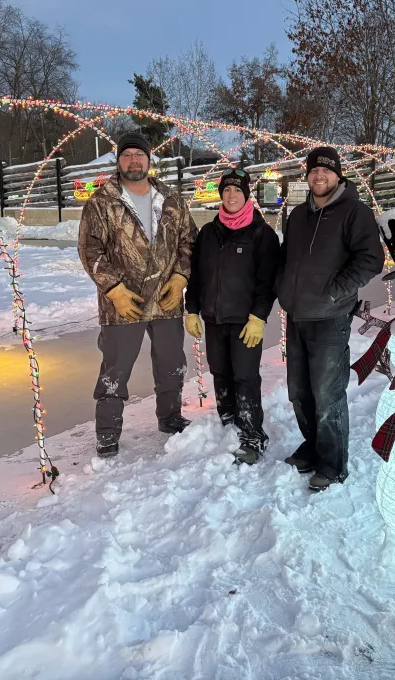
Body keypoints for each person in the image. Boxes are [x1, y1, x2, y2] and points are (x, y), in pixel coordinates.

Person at [77, 132, 196, 458]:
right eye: (127, 155)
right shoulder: (102, 202)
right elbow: (90, 250)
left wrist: (181, 276)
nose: (133, 160)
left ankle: (170, 417)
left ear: (149, 159)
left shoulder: (171, 199)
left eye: (139, 155)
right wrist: (114, 290)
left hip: (165, 302)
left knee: (172, 363)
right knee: (115, 369)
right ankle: (107, 433)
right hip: (123, 306)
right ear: (119, 161)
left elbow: (189, 241)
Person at [276, 146, 384, 491]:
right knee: (299, 391)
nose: (319, 177)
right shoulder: (297, 216)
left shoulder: (354, 212)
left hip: (330, 318)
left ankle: (333, 463)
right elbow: (287, 258)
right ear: (307, 177)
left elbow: (370, 259)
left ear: (338, 175)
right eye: (313, 172)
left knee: (327, 394)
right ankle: (312, 447)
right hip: (297, 315)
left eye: (326, 171)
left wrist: (337, 291)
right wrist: (282, 289)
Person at [184, 167, 280, 465]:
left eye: (237, 190)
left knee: (245, 377)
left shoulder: (261, 234)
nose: (231, 195)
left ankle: (253, 435)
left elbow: (268, 281)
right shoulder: (209, 233)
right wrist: (191, 310)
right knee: (221, 373)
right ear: (220, 194)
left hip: (245, 323)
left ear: (247, 194)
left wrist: (259, 317)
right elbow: (197, 276)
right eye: (226, 190)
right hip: (214, 321)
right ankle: (229, 422)